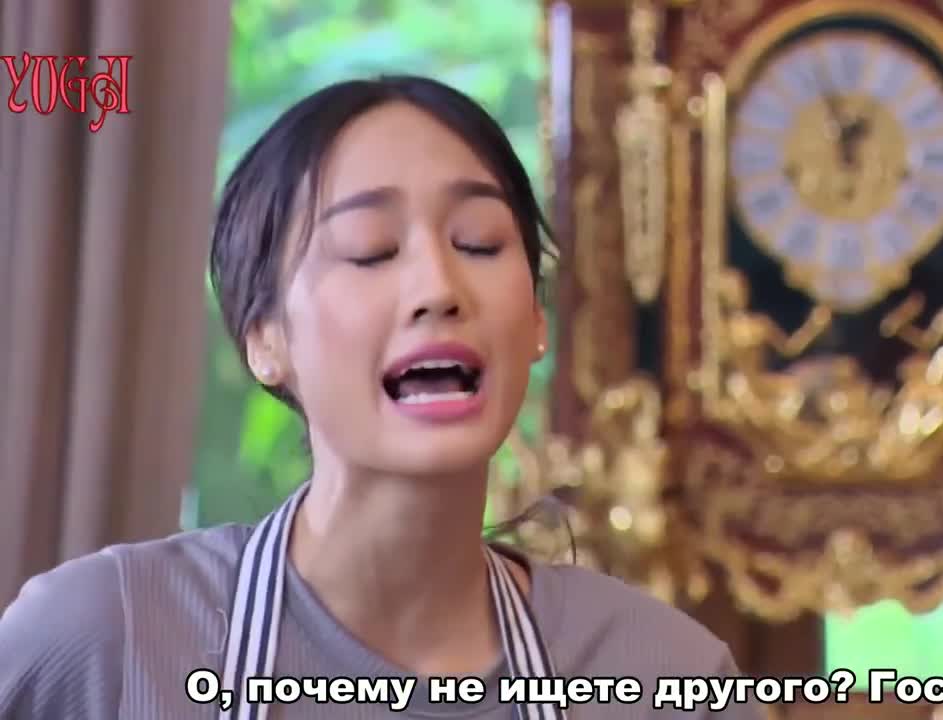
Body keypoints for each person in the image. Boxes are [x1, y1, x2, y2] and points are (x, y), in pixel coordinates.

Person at [0, 75, 761, 720]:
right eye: (370, 250)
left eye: (479, 242)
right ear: (266, 339)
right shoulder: (108, 640)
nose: (438, 287)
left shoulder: (667, 678)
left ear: (536, 320)